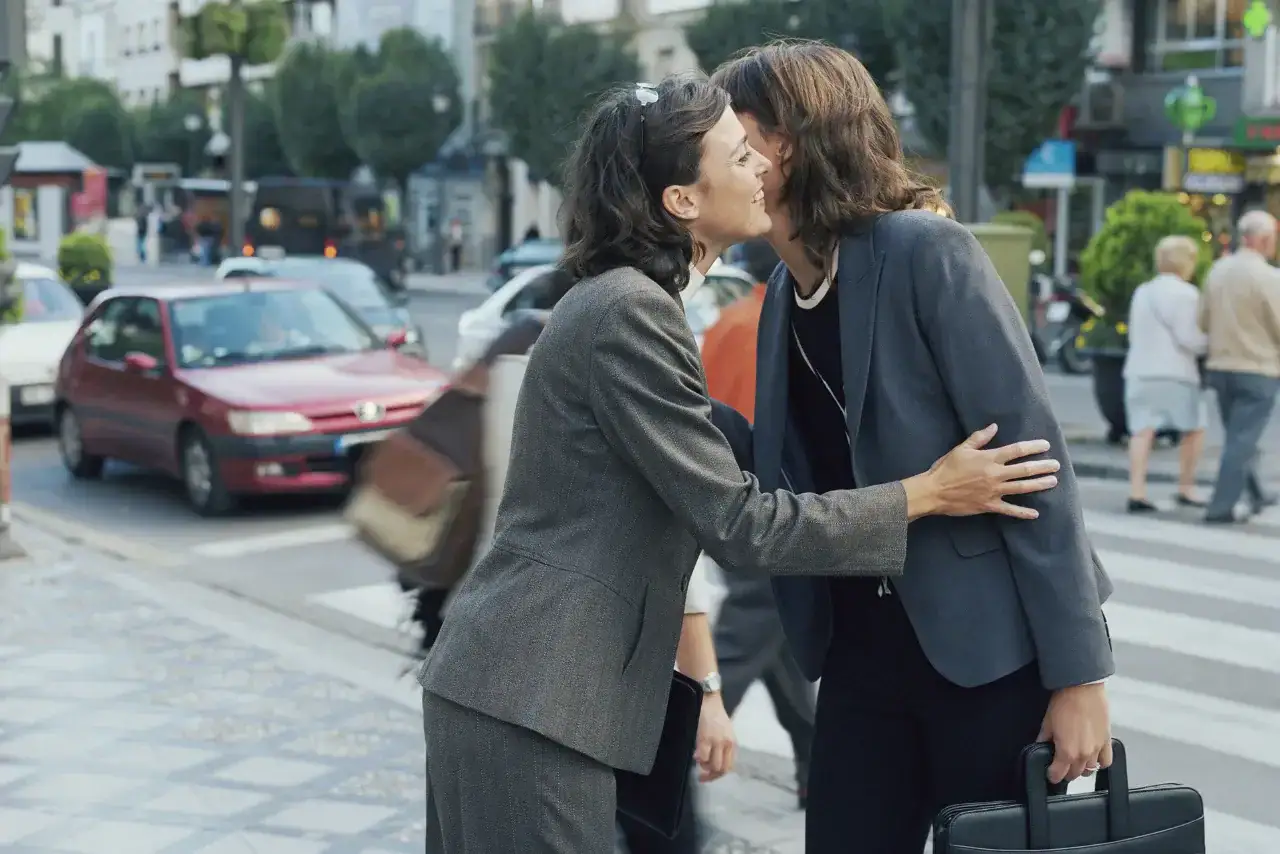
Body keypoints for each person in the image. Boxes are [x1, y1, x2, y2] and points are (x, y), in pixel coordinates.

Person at [417, 73, 1062, 853]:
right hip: (535, 693)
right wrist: (926, 493)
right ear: (682, 200)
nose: (760, 164)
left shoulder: (629, 303)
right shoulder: (629, 312)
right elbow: (739, 521)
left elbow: (716, 461)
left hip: (529, 690)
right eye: (738, 154)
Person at [712, 42, 1114, 854]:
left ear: (786, 141)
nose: (712, 150)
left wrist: (1080, 678)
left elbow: (1035, 466)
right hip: (858, 654)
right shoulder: (785, 293)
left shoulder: (925, 251)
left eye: (729, 131)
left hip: (982, 658)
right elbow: (788, 475)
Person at [701, 237, 816, 808]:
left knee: (781, 652)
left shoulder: (727, 322)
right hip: (768, 506)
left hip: (724, 492)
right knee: (742, 640)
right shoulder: (779, 325)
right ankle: (675, 752)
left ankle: (818, 768)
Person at [1199, 209, 1280, 523]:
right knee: (1242, 439)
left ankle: (1257, 492)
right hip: (1258, 368)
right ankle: (1221, 506)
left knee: (1239, 435)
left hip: (1221, 365)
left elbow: (1202, 320)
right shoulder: (1268, 277)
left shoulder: (1217, 271)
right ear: (1264, 239)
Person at [1122, 235, 1209, 513]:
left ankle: (1137, 491)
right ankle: (1186, 486)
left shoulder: (1143, 291)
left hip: (1139, 370)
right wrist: (1209, 344)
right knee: (1194, 428)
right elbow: (1190, 338)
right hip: (1176, 372)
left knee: (1141, 431)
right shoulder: (1187, 294)